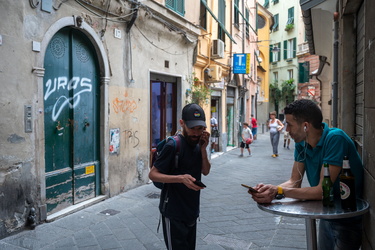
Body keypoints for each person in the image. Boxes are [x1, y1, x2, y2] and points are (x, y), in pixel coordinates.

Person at [250, 99, 364, 250]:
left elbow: (322, 190)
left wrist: (278, 191)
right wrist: (270, 189)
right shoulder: (301, 142)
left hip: (347, 215)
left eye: (289, 124)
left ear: (305, 126)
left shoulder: (335, 139)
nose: (286, 130)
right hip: (326, 211)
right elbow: (294, 181)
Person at [149, 103, 211, 250]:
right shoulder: (173, 145)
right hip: (173, 212)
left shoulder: (198, 143)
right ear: (182, 123)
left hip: (192, 211)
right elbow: (153, 174)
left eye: (200, 128)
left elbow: (206, 171)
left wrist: (203, 149)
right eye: (192, 128)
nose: (196, 133)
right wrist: (180, 178)